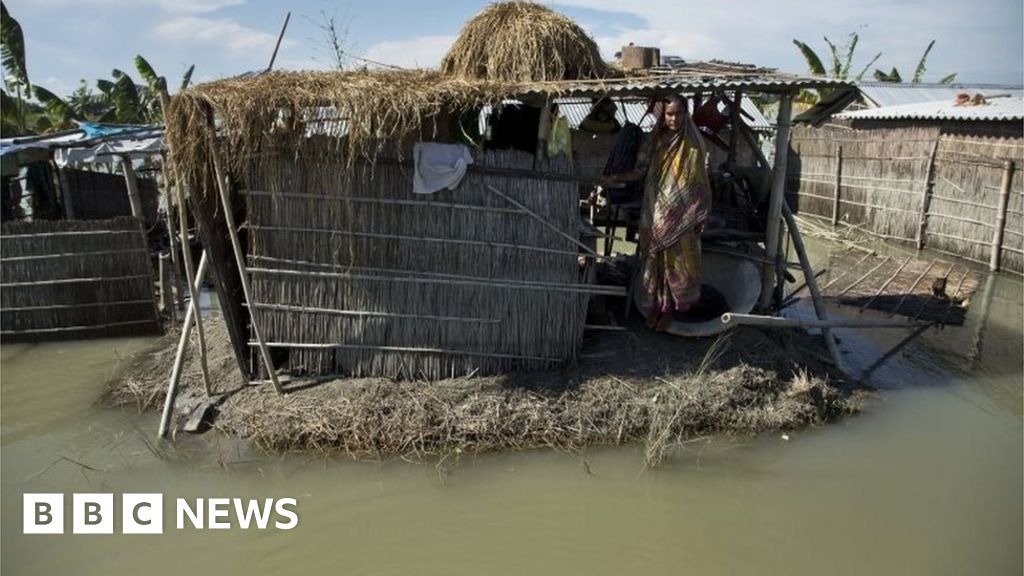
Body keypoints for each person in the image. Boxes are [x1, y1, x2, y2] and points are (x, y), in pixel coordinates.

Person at [600, 94, 712, 330]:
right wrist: (615, 178)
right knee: (654, 262)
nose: (673, 118)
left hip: (683, 214)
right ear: (663, 115)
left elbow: (700, 181)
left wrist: (700, 212)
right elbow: (640, 171)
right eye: (669, 114)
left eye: (678, 113)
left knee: (678, 263)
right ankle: (656, 308)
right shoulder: (654, 140)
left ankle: (670, 311)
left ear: (686, 114)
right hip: (656, 210)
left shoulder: (693, 142)